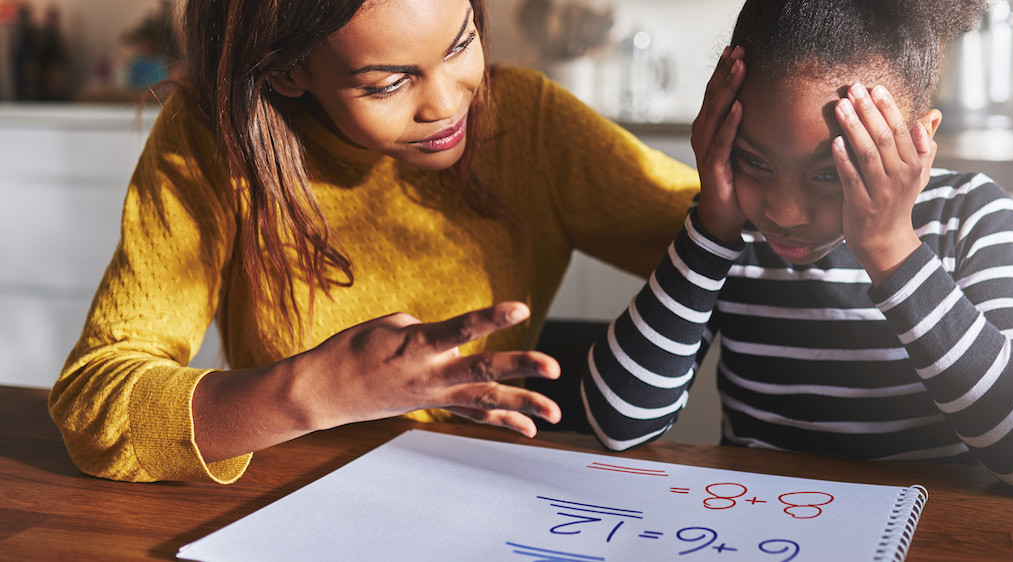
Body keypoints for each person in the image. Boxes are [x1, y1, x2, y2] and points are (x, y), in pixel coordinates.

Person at [47, 0, 699, 483]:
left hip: (493, 497)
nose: (446, 103)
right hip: (287, 504)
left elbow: (741, 241)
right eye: (388, 82)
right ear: (287, 73)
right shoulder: (210, 145)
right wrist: (312, 393)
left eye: (460, 42)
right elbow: (94, 404)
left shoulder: (525, 121)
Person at [581, 0, 1013, 496]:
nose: (784, 212)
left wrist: (891, 247)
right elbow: (618, 422)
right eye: (755, 162)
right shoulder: (726, 230)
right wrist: (711, 229)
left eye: (830, 173)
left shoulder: (968, 215)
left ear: (920, 143)